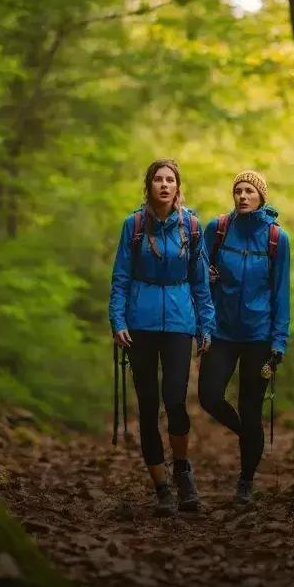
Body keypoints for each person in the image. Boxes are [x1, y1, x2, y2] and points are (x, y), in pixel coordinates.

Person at [109, 158, 215, 516]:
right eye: (158, 179)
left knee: (174, 401)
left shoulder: (192, 227)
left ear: (178, 187)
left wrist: (206, 325)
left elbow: (200, 282)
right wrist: (117, 319)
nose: (164, 185)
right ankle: (161, 487)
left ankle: (182, 470)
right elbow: (121, 276)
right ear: (149, 186)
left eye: (170, 180)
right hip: (139, 323)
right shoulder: (134, 225)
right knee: (148, 406)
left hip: (179, 324)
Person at [198, 170, 291, 505]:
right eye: (237, 190)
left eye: (249, 190)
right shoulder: (218, 229)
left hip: (259, 336)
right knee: (209, 396)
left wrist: (279, 341)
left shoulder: (277, 238)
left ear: (261, 197)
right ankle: (248, 436)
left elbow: (282, 293)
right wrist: (204, 279)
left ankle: (246, 483)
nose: (242, 195)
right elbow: (196, 275)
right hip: (220, 332)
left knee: (251, 410)